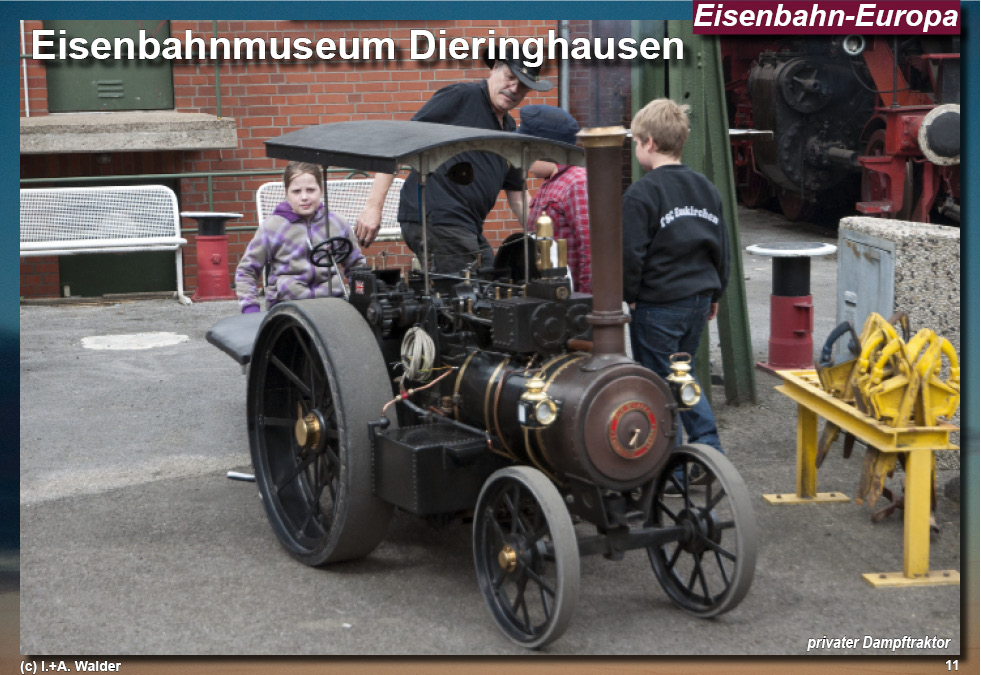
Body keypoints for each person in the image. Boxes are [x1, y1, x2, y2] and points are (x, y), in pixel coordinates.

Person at [354, 56, 553, 274]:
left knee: (493, 280)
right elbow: (399, 143)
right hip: (436, 218)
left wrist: (547, 236)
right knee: (474, 290)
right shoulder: (462, 97)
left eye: (523, 86)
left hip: (466, 225)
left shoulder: (509, 127)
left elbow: (518, 196)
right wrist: (373, 207)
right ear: (495, 68)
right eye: (509, 78)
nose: (513, 89)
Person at [622, 98, 729, 455]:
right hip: (699, 299)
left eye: (637, 142)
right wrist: (715, 294)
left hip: (658, 303)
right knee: (682, 375)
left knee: (660, 384)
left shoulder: (641, 193)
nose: (637, 149)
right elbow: (720, 247)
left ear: (649, 142)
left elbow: (631, 252)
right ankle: (705, 450)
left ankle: (679, 462)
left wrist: (629, 293)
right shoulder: (706, 189)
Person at [235, 161, 365, 313]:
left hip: (333, 304)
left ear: (321, 190)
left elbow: (357, 267)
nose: (304, 197)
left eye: (310, 190)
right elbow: (246, 271)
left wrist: (362, 301)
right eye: (296, 191)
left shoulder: (338, 223)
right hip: (287, 305)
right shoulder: (272, 227)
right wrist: (250, 308)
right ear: (286, 193)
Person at [517, 104, 591, 293]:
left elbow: (591, 248)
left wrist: (584, 301)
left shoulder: (577, 182)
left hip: (570, 298)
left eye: (528, 150)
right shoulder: (551, 182)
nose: (523, 157)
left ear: (547, 149)